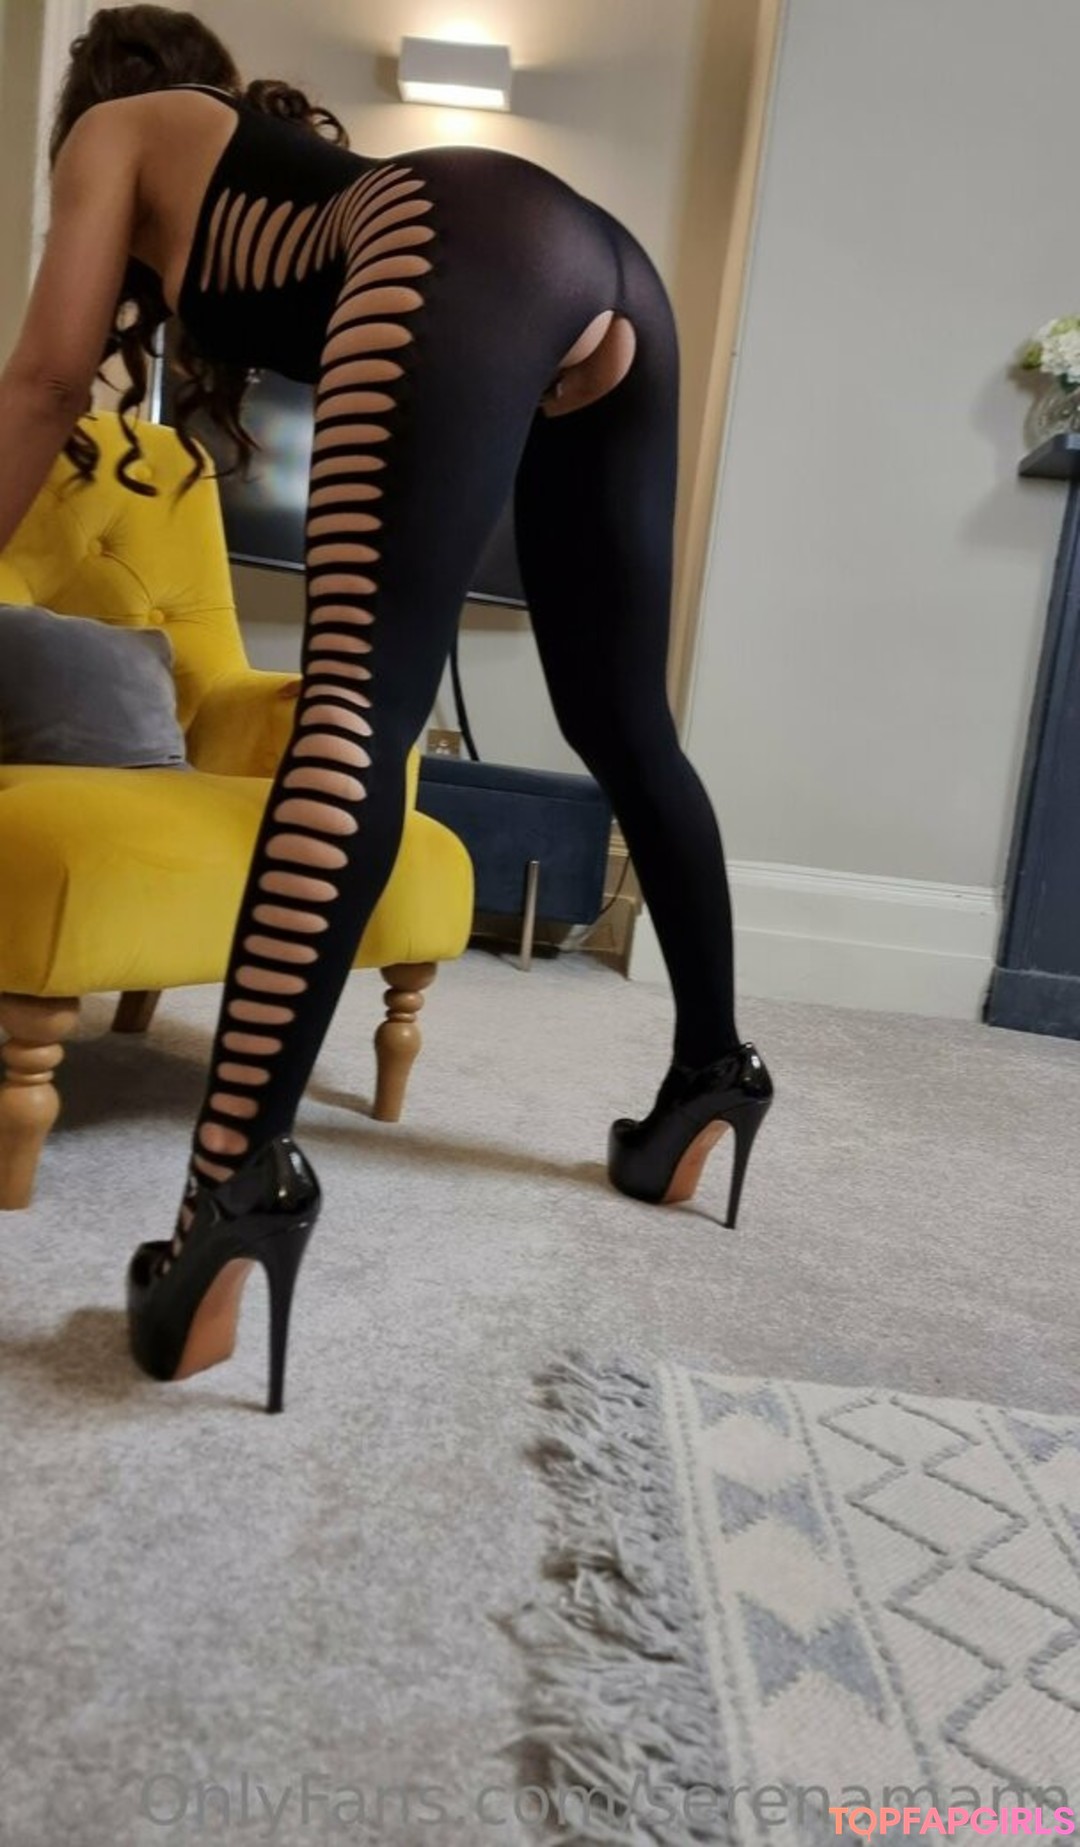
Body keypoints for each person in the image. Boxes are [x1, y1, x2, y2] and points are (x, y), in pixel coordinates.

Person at [0, 5, 773, 1412]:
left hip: (460, 235)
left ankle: (229, 1192)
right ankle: (712, 1076)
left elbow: (48, 378)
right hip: (606, 263)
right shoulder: (247, 150)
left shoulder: (111, 133)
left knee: (352, 708)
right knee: (627, 724)